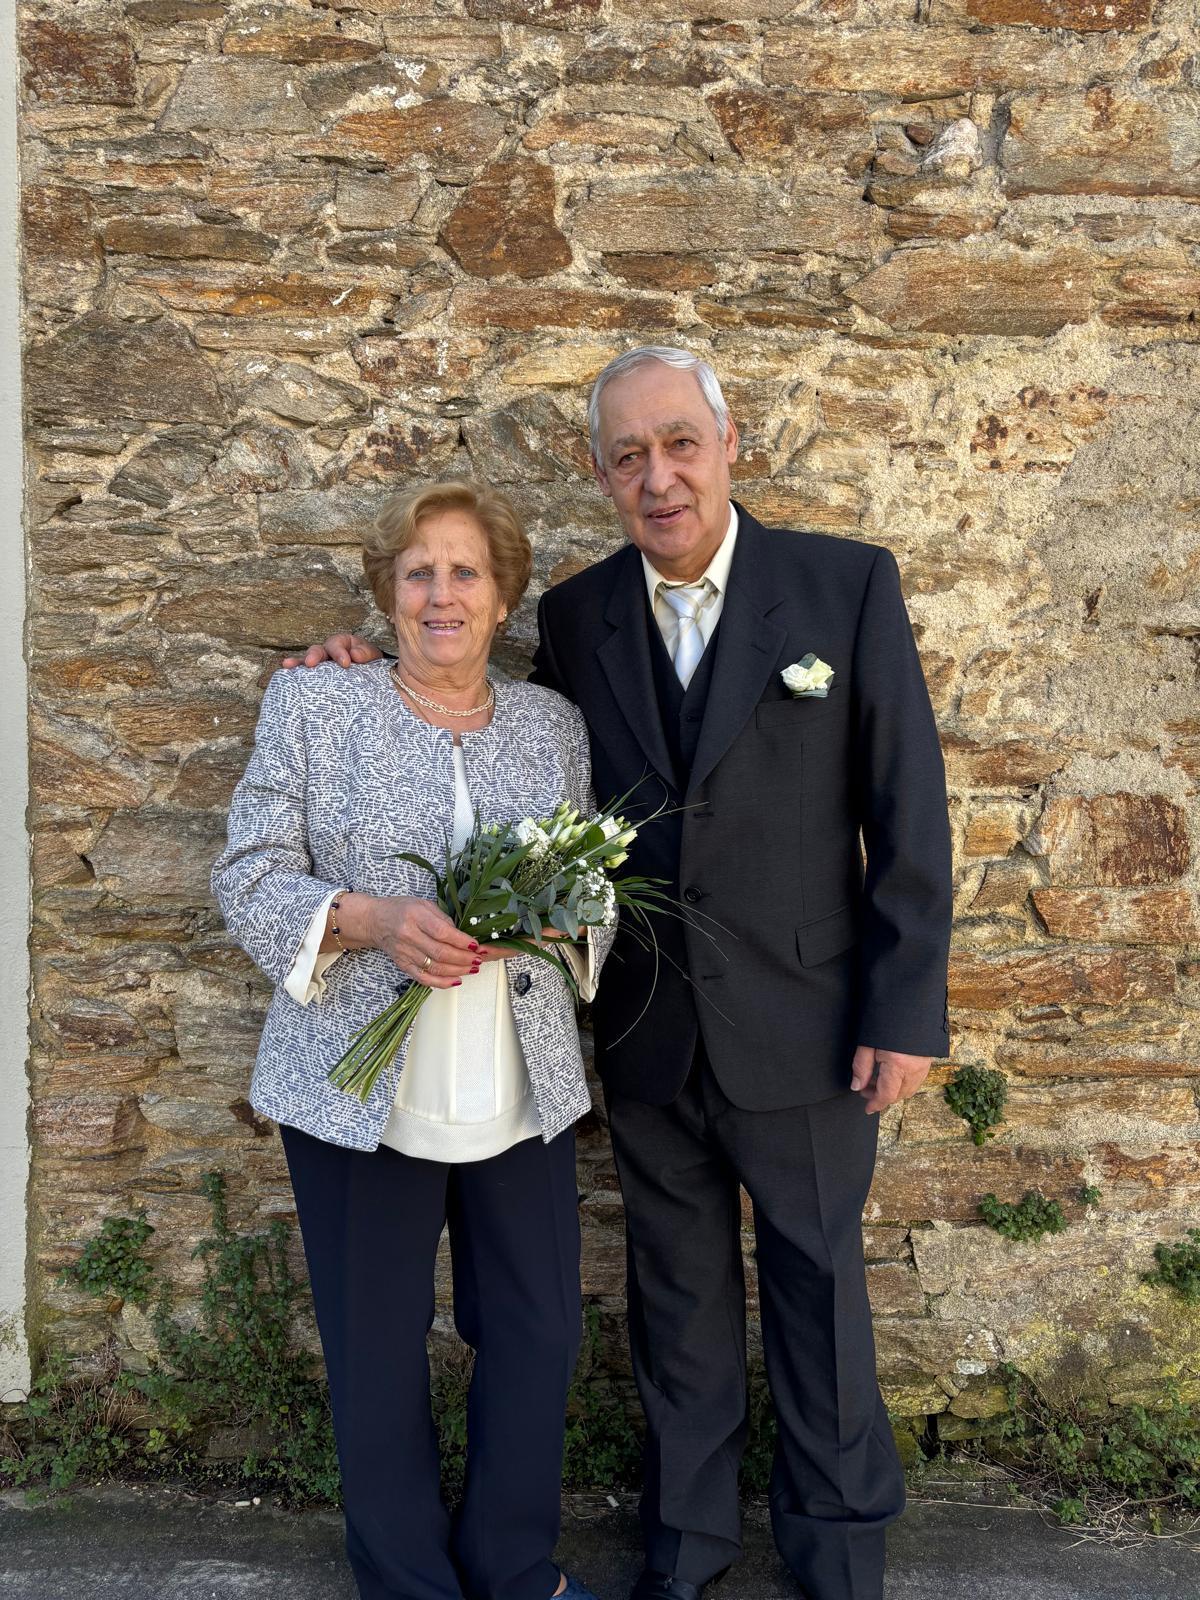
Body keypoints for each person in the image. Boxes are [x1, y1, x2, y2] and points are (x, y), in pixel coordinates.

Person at [294, 347, 953, 1600]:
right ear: (601, 475)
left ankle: (839, 1551)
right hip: (648, 1024)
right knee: (679, 1302)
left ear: (728, 442)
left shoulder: (844, 587)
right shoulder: (584, 618)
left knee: (818, 1294)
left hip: (810, 1024)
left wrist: (904, 1007)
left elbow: (905, 808)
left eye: (679, 444)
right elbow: (478, 715)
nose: (659, 477)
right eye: (629, 455)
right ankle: (690, 1544)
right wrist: (359, 663)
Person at [213, 480, 612, 1600]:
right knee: (377, 1353)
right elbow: (249, 877)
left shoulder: (553, 726)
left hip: (518, 1086)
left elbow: (595, 890)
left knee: (537, 1336)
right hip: (357, 1087)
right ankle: (405, 1580)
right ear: (388, 594)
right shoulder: (313, 706)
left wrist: (563, 917)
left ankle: (511, 1562)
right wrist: (375, 923)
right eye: (420, 571)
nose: (443, 593)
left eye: (465, 571)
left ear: (503, 598)